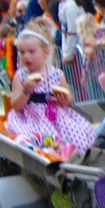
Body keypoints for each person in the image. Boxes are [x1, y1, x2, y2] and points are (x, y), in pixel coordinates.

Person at [6, 17, 96, 158]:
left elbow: (70, 98)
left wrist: (64, 99)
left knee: (78, 131)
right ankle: (49, 156)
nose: (26, 57)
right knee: (29, 139)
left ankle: (75, 156)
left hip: (55, 114)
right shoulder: (21, 75)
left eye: (31, 52)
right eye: (22, 52)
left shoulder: (56, 73)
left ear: (45, 52)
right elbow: (16, 105)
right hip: (31, 117)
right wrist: (26, 91)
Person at [51, 0, 84, 64]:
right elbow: (64, 29)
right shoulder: (63, 4)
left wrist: (68, 53)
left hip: (76, 45)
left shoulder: (70, 6)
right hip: (68, 43)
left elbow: (72, 30)